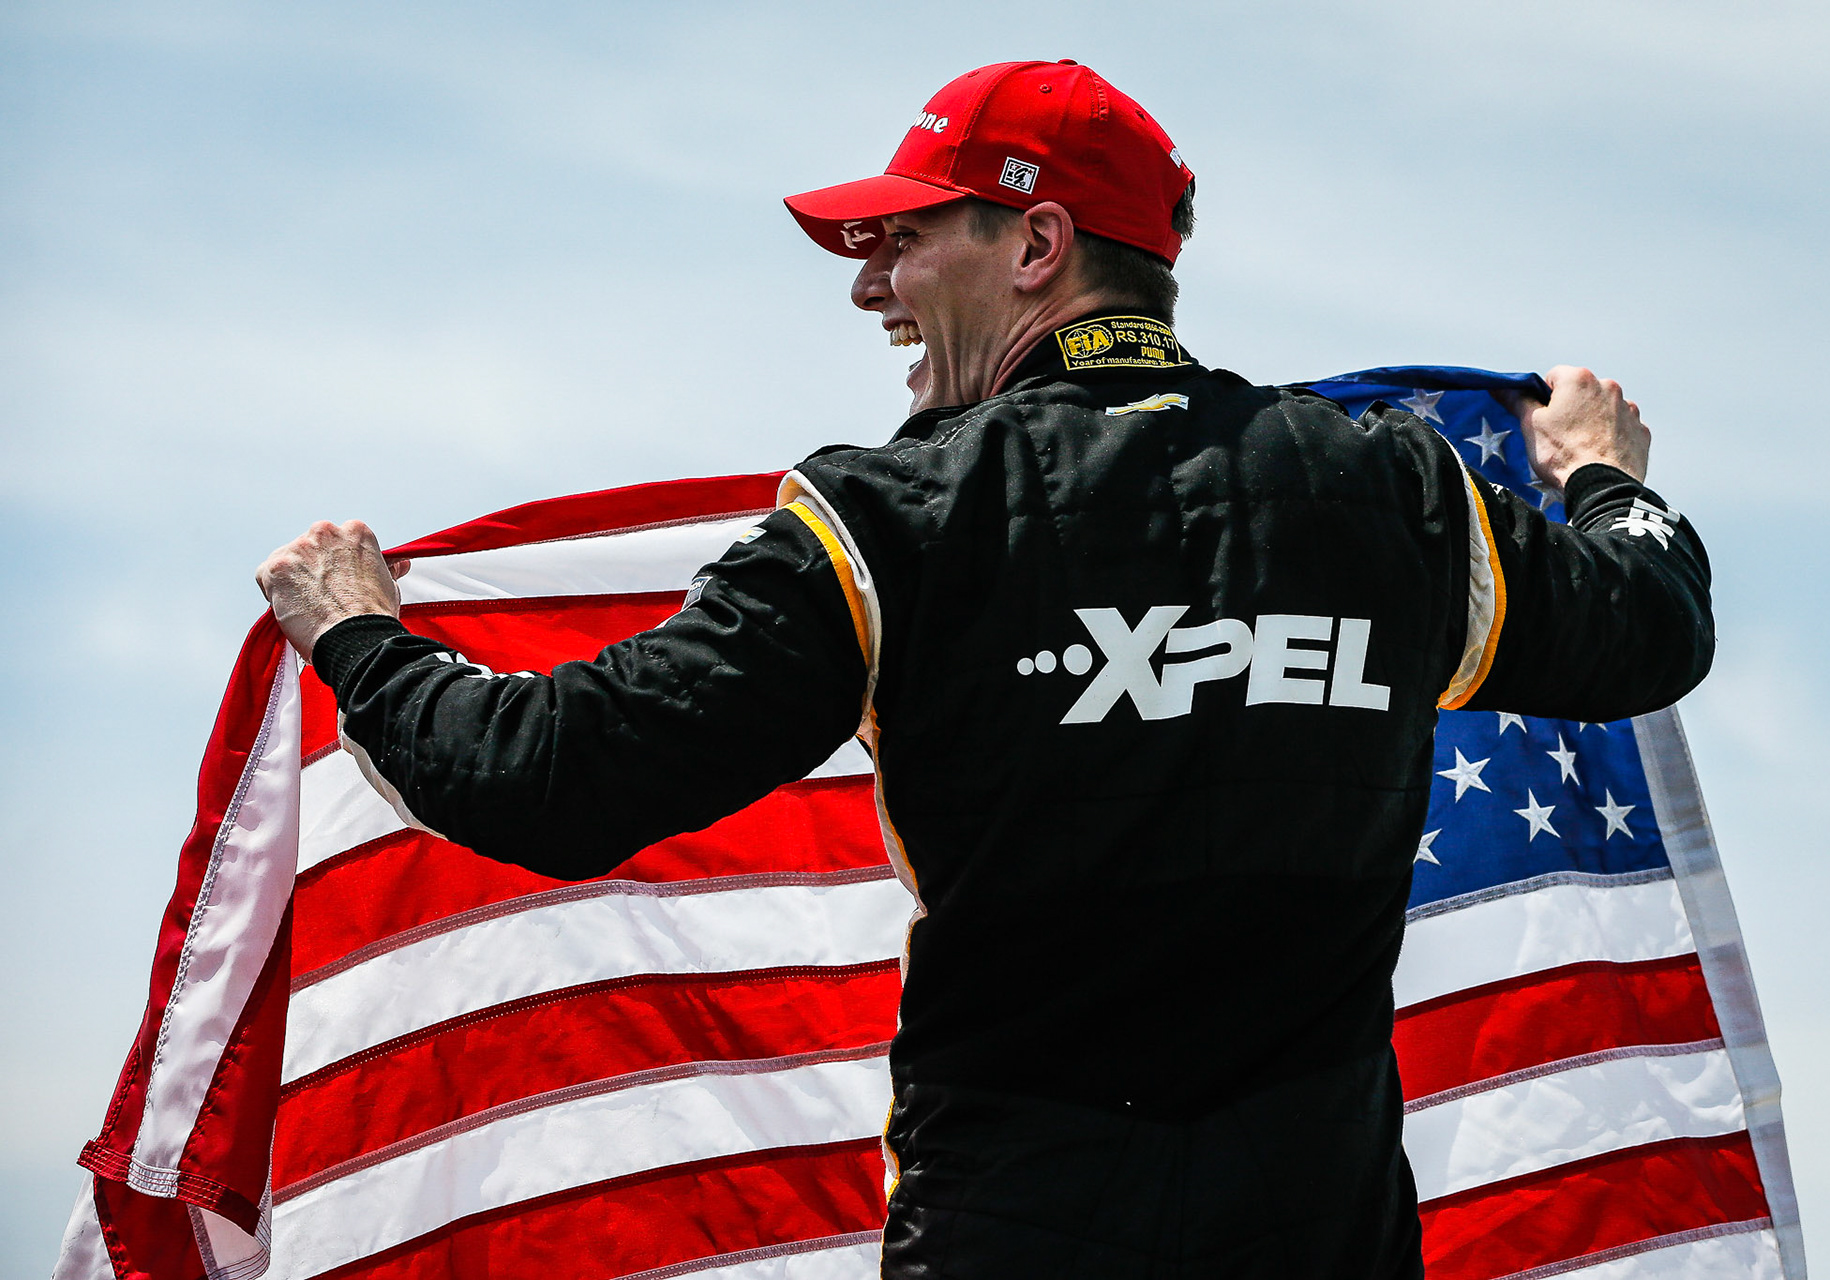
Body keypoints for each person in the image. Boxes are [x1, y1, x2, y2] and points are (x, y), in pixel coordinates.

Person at [258, 60, 1712, 1280]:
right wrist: (1596, 477)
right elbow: (1652, 623)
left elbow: (550, 781)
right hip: (1316, 1234)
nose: (869, 284)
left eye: (903, 240)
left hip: (1015, 1231)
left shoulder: (892, 519)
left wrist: (360, 635)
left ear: (1037, 249)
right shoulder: (1387, 493)